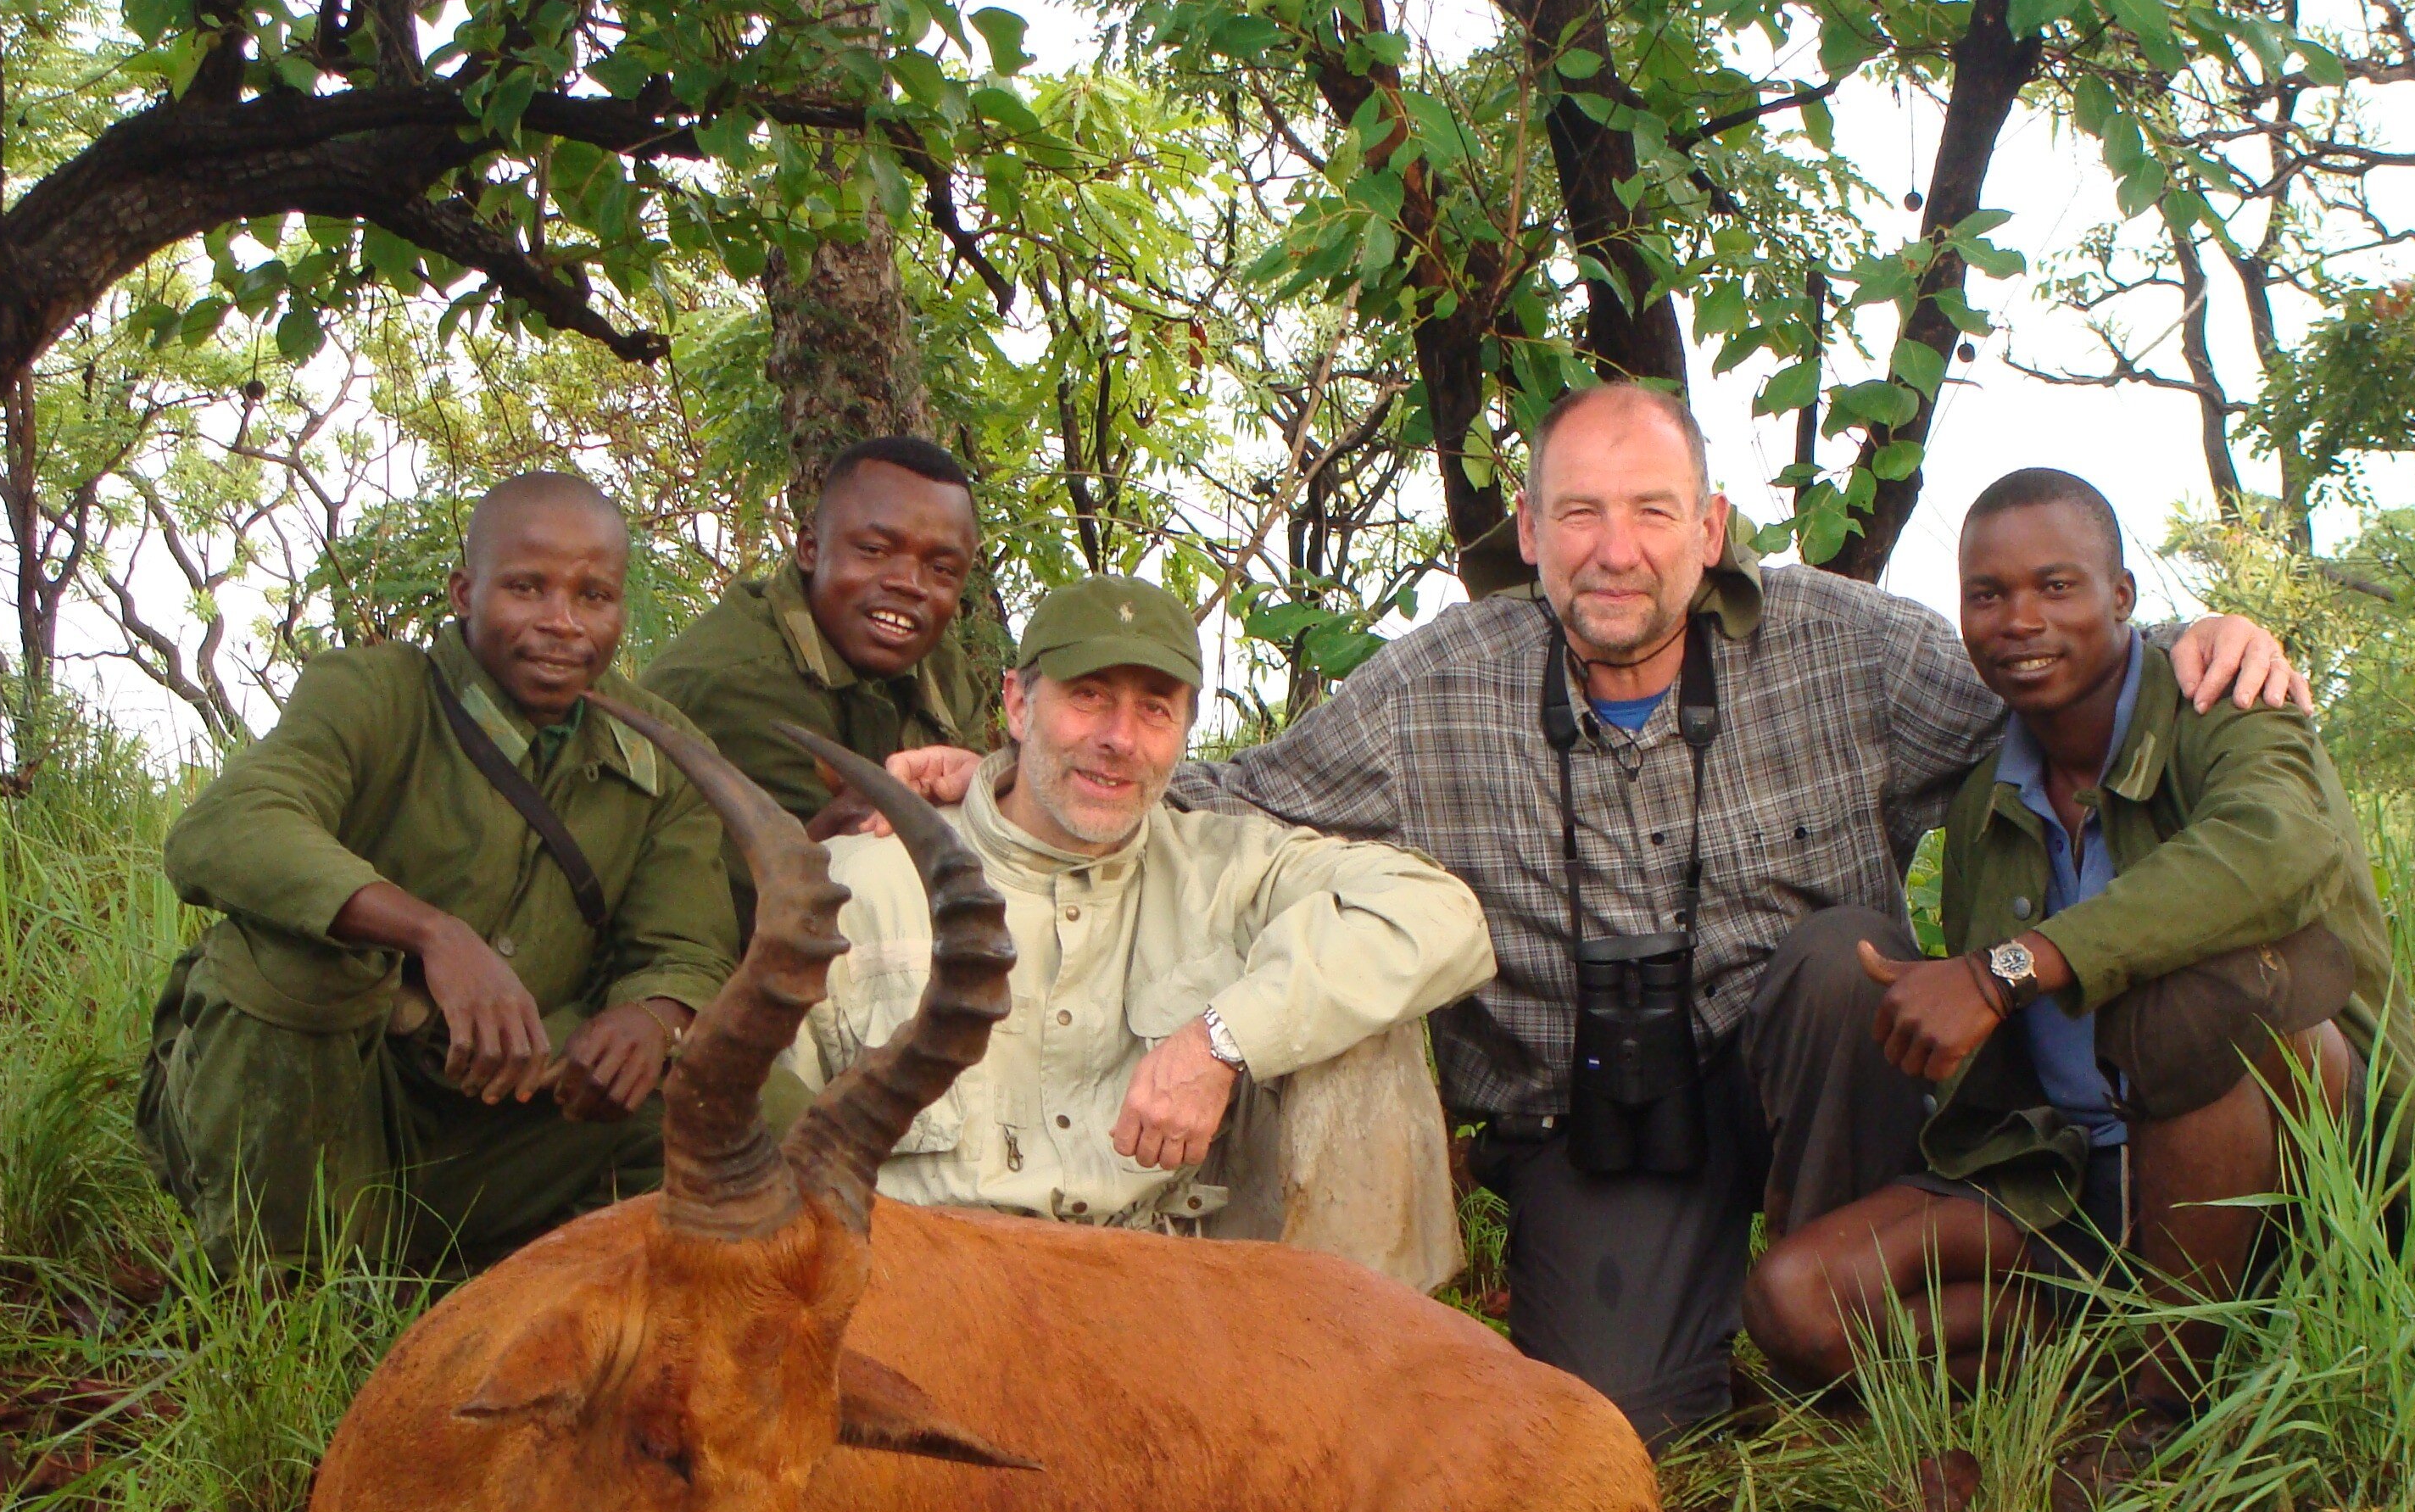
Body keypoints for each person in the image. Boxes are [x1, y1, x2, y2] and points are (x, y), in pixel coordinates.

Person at [883, 388, 2308, 1442]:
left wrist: (2191, 640)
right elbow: (1229, 791)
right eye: (1576, 513)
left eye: (1645, 512)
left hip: (1822, 1078)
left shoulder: (1846, 646)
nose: (1611, 549)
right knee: (1621, 1418)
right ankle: (1732, 1347)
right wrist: (989, 772)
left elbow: (2045, 671)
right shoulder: (1438, 679)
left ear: (1709, 529)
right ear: (1526, 533)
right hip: (1595, 1115)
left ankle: (1874, 1369)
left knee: (1833, 960)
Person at [1740, 467, 2415, 1400]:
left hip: (2273, 1162)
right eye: (1988, 595)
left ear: (2122, 597)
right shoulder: (1984, 801)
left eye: (2057, 586)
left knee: (2182, 1007)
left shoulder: (2228, 711)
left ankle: (2162, 1405)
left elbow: (2275, 851)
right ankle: (2102, 1345)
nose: (2020, 620)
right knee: (1794, 1302)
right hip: (2061, 1175)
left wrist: (2006, 970)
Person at [137, 473, 745, 1272]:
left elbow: (685, 946)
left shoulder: (661, 746)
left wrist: (652, 1021)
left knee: (739, 1105)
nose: (563, 623)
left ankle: (509, 1288)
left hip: (504, 1123)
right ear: (465, 591)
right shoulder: (372, 692)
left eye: (595, 596)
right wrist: (433, 935)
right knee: (291, 965)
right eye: (528, 588)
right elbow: (230, 826)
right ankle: (269, 1284)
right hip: (331, 1095)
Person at [793, 575, 1494, 1243]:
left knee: (1361, 1024)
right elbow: (771, 1144)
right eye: (1089, 696)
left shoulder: (1227, 868)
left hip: (1147, 1287)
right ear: (1017, 704)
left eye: (1155, 709)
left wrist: (1223, 1038)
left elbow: (1442, 914)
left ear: (1186, 732)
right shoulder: (863, 881)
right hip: (923, 1281)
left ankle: (1352, 1341)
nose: (1121, 739)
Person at [643, 435, 999, 933]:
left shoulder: (944, 671)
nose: (909, 584)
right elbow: (819, 884)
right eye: (875, 551)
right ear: (810, 549)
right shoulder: (737, 681)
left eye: (941, 569)